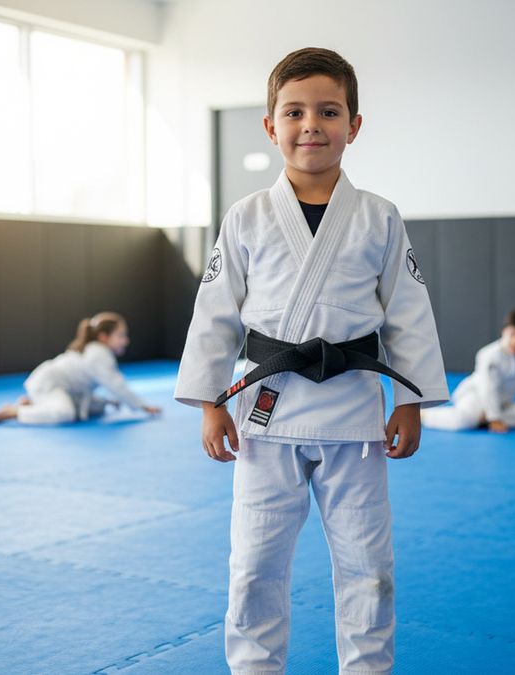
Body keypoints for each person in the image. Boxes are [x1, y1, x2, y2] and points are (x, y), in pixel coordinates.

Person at [174, 48, 448, 674]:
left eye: (329, 111)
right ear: (270, 127)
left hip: (355, 413)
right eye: (294, 112)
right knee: (254, 566)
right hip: (264, 414)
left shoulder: (379, 216)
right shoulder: (245, 216)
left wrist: (411, 400)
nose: (311, 125)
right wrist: (211, 403)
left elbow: (408, 311)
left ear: (354, 124)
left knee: (368, 567)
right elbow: (215, 313)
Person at [0, 312, 161, 425]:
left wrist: (110, 402)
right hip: (48, 384)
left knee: (99, 407)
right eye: (121, 335)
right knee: (66, 414)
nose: (126, 341)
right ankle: (15, 411)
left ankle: (34, 403)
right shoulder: (98, 354)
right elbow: (116, 385)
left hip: (70, 390)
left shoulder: (98, 350)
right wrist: (143, 406)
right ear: (103, 337)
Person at [421, 308, 515, 432]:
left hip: (503, 403)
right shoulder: (489, 354)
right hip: (475, 396)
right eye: (512, 334)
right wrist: (495, 418)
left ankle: (483, 420)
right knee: (465, 421)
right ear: (504, 332)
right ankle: (425, 416)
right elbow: (488, 388)